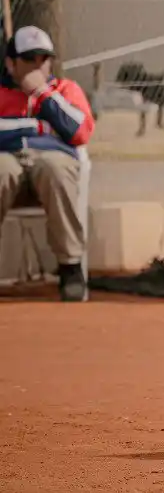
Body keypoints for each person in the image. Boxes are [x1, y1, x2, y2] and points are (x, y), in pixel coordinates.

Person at [0, 27, 94, 302]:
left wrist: (42, 93)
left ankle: (70, 266)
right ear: (11, 63)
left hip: (51, 158)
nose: (38, 66)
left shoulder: (66, 90)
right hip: (7, 157)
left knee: (55, 169)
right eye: (30, 60)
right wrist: (37, 126)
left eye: (44, 59)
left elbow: (79, 131)